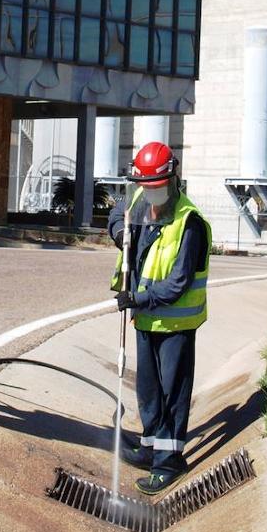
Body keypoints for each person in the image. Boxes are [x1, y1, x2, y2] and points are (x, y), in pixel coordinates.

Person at [108, 141, 212, 495]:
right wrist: (121, 233)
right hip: (145, 320)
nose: (151, 195)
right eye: (145, 187)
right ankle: (151, 446)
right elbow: (116, 213)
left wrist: (138, 297)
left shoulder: (189, 222)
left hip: (175, 325)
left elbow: (178, 283)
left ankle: (169, 462)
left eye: (157, 188)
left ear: (172, 179)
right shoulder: (139, 201)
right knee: (149, 391)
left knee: (171, 394)